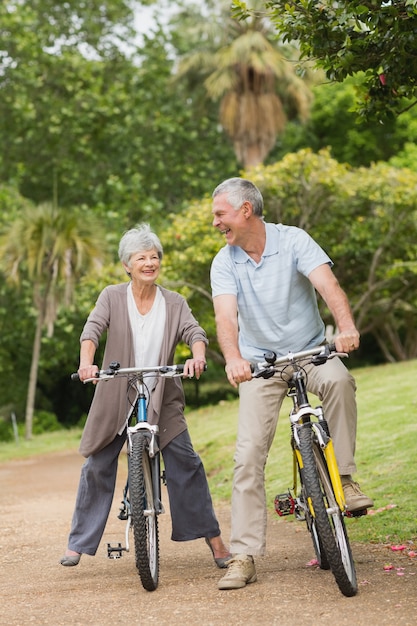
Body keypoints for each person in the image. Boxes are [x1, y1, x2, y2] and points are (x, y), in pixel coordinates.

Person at [209, 177, 373, 590]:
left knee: (339, 381)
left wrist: (347, 326)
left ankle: (346, 479)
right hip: (259, 366)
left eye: (220, 214)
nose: (216, 223)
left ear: (246, 210)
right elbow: (226, 317)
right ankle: (243, 555)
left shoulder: (294, 240)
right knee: (247, 456)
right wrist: (233, 358)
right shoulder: (224, 261)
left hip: (311, 351)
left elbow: (327, 285)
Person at [60, 224, 230, 570]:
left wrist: (197, 355)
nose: (149, 263)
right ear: (127, 264)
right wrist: (87, 364)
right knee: (96, 465)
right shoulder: (111, 296)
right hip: (116, 393)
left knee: (187, 463)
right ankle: (77, 543)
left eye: (154, 257)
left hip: (162, 394)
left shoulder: (174, 301)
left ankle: (216, 542)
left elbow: (194, 331)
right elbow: (92, 330)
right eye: (141, 257)